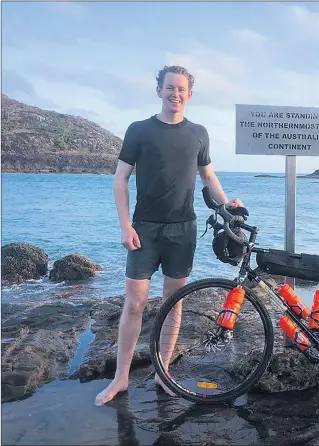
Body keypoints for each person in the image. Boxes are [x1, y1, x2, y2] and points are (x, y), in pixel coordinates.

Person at [95, 65, 243, 406]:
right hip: (144, 229)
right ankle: (120, 379)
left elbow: (208, 176)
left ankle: (164, 373)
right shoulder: (139, 131)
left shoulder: (199, 134)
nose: (175, 94)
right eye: (169, 88)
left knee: (173, 303)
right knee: (133, 305)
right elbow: (120, 180)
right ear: (159, 90)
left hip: (183, 230)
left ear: (189, 94)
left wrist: (227, 203)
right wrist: (125, 225)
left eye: (181, 89)